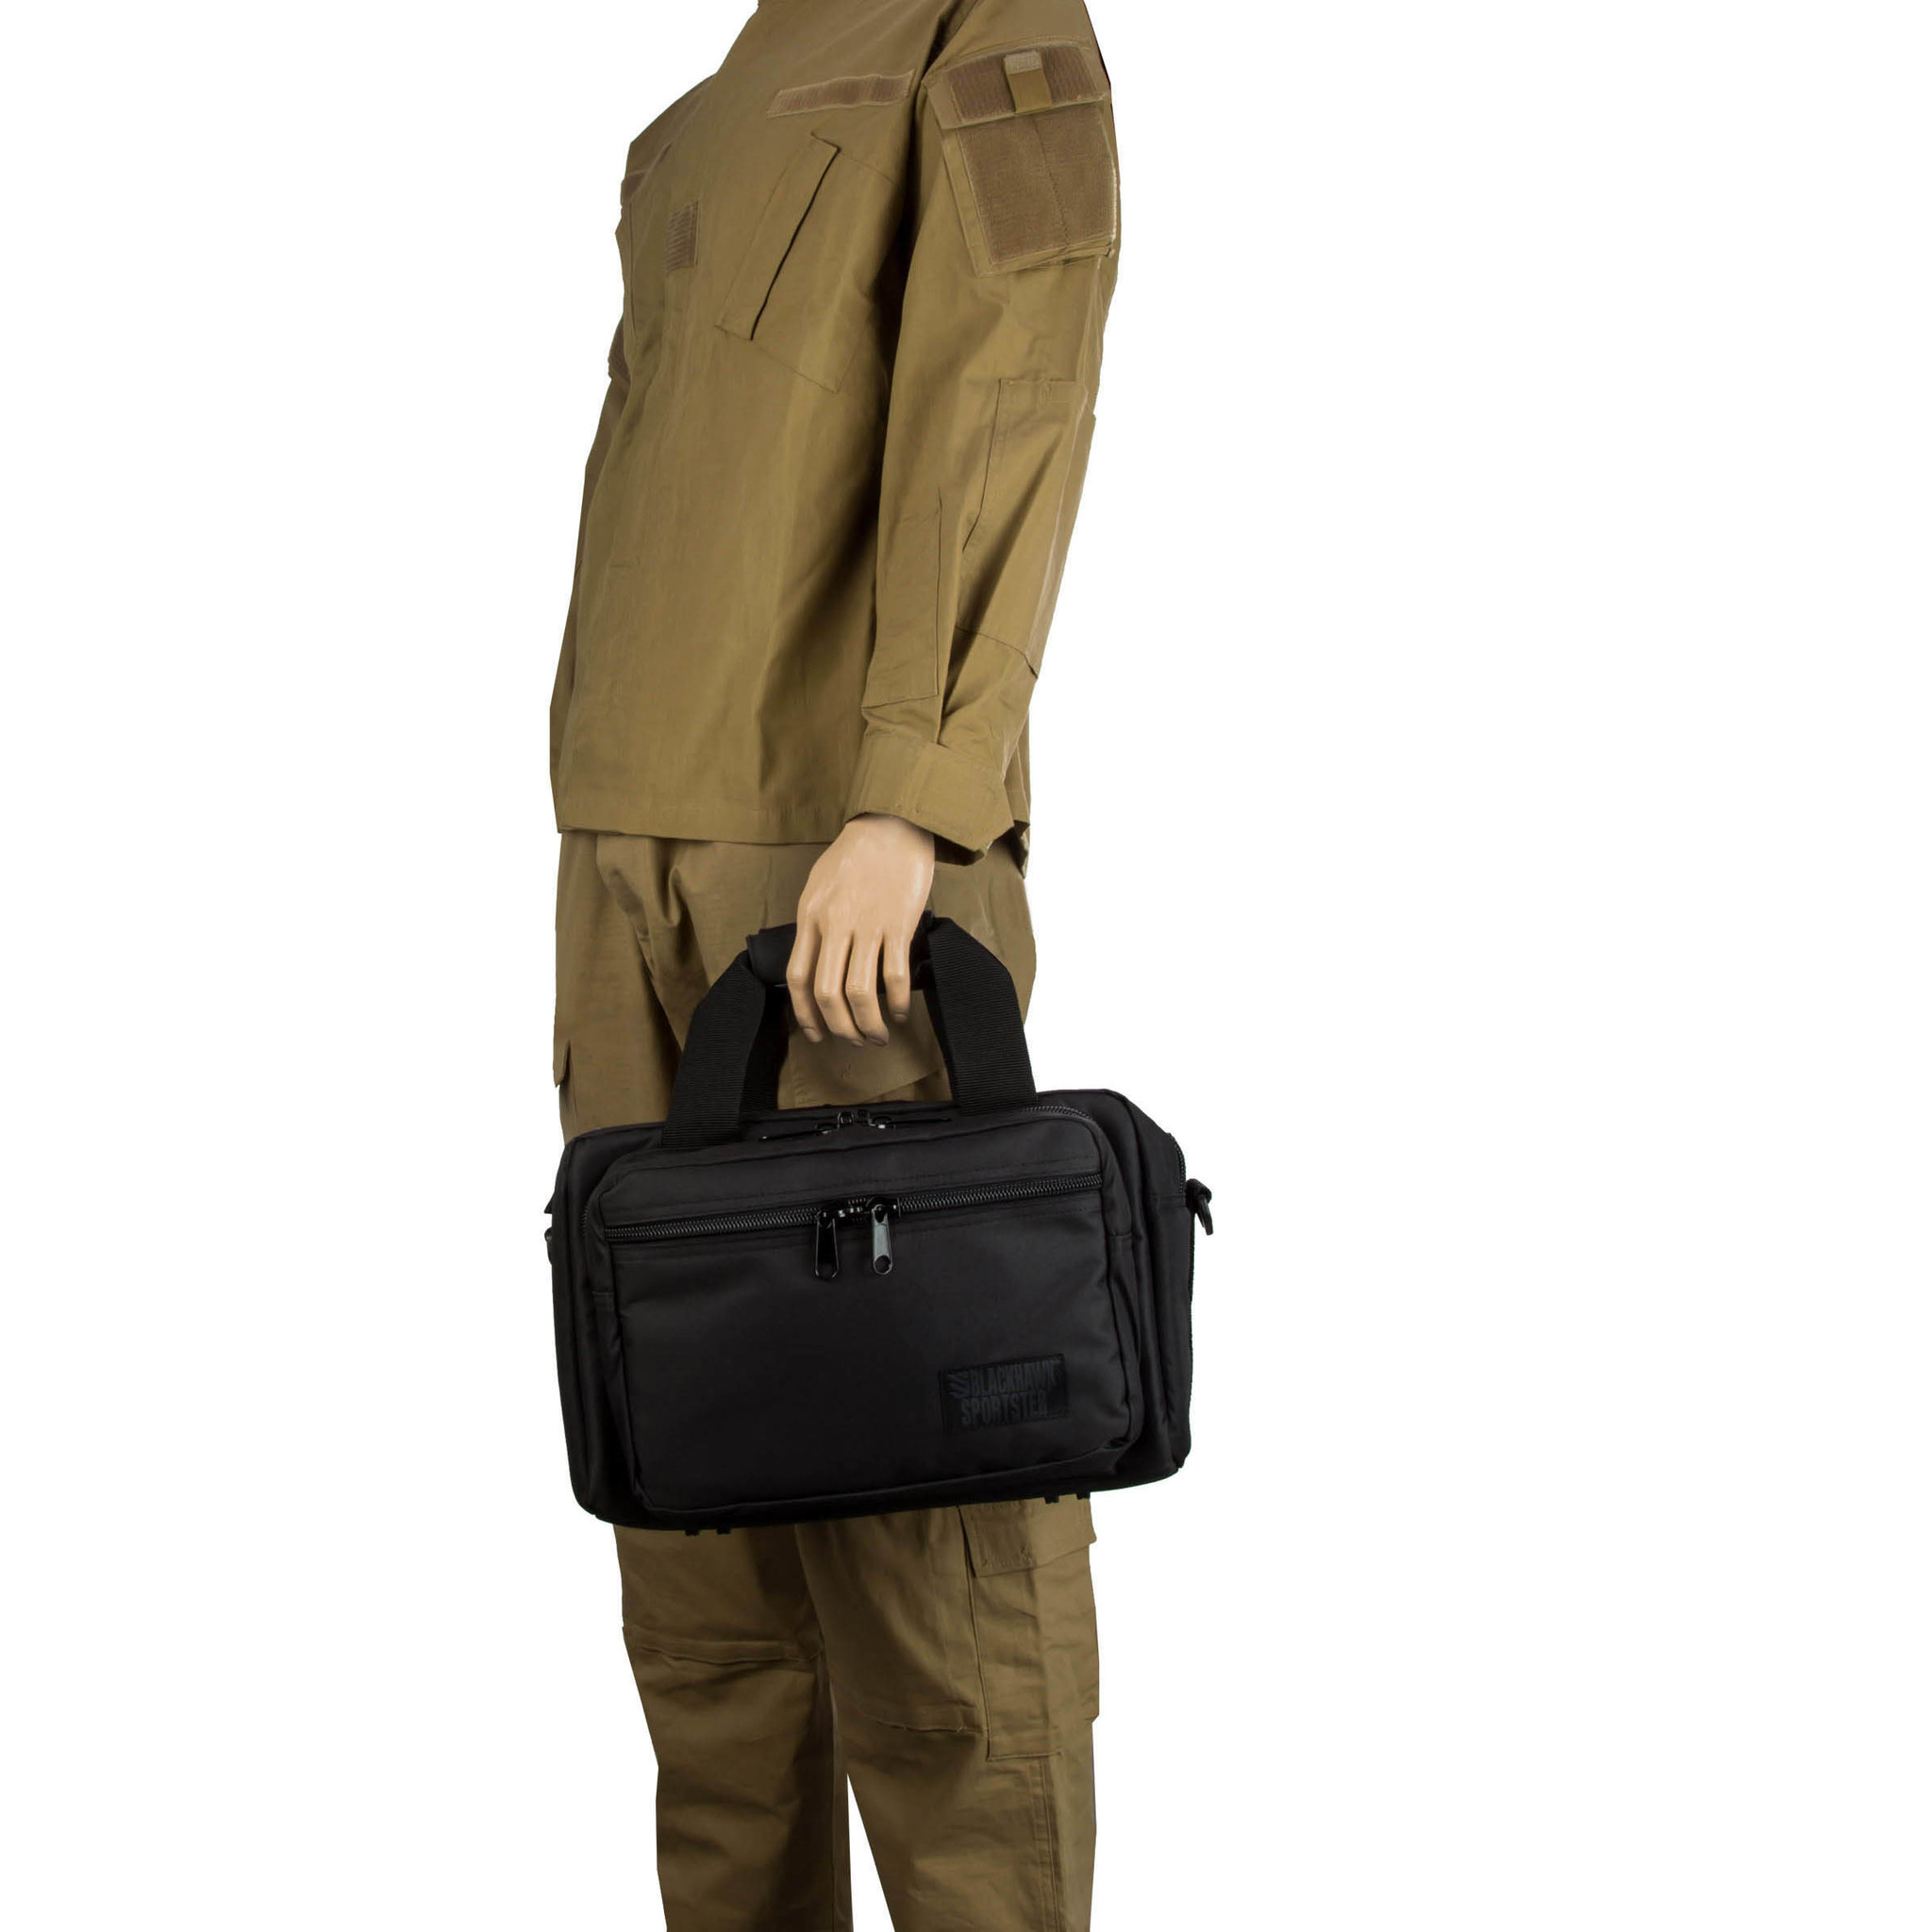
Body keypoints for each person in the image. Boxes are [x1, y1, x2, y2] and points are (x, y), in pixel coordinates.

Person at [548, 1, 1119, 1924]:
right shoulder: (713, 98)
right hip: (625, 851)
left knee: (934, 1556)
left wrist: (913, 796)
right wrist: (603, 859)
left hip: (833, 868)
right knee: (703, 1566)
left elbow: (1004, 392)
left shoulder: (981, 23)